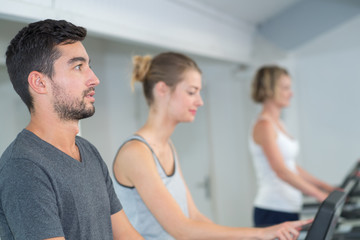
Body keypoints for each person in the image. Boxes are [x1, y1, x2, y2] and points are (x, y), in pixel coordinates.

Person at [113, 52, 311, 240]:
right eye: (192, 92)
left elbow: (194, 217)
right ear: (162, 89)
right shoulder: (136, 153)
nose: (200, 101)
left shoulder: (167, 146)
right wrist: (260, 233)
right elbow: (182, 229)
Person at [0, 19, 143, 240]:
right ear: (39, 83)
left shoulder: (88, 151)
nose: (94, 78)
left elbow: (125, 235)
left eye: (89, 65)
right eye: (78, 66)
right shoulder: (24, 167)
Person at [249, 65, 335, 227]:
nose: (291, 93)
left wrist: (325, 187)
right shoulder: (264, 125)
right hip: (272, 209)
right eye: (285, 88)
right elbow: (281, 171)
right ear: (270, 89)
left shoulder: (279, 123)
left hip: (289, 206)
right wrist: (319, 195)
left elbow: (291, 166)